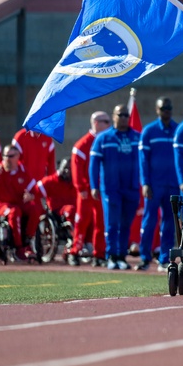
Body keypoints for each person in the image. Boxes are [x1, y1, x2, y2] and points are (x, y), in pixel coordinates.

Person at [89, 104, 142, 270]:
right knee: (112, 223)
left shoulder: (137, 137)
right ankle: (111, 256)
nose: (125, 118)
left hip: (131, 188)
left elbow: (146, 161)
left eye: (127, 115)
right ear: (114, 116)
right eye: (121, 115)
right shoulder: (104, 138)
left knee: (126, 224)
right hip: (111, 189)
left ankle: (121, 256)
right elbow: (94, 164)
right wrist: (93, 185)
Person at [137, 97, 180, 271]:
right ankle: (145, 257)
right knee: (149, 221)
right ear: (157, 110)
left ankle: (164, 258)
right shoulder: (149, 131)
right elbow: (143, 161)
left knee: (170, 223)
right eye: (163, 108)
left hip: (173, 185)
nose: (167, 111)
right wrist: (145, 183)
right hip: (154, 185)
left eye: (169, 108)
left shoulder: (178, 130)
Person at [69, 112, 111, 267]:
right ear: (96, 123)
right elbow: (76, 169)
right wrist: (81, 187)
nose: (109, 125)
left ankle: (99, 254)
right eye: (106, 122)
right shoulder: (82, 144)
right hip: (86, 192)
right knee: (81, 223)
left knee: (100, 224)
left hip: (100, 191)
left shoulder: (105, 141)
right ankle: (75, 251)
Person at [0, 145, 40, 261]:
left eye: (11, 156)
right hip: (0, 203)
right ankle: (18, 248)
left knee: (35, 209)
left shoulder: (22, 171)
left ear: (18, 157)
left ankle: (28, 241)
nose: (7, 158)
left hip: (18, 201)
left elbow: (34, 190)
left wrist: (31, 196)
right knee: (14, 212)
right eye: (5, 156)